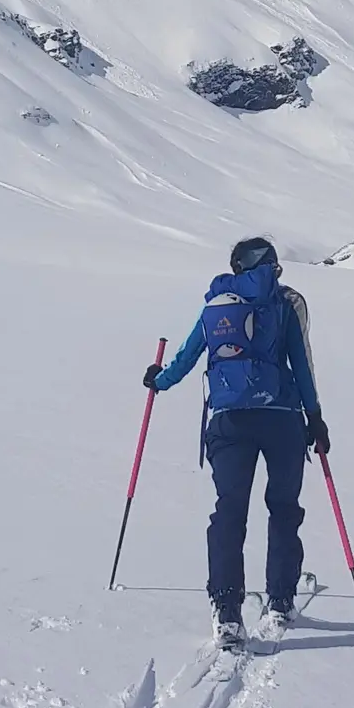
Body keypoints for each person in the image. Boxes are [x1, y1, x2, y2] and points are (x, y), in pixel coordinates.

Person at [144, 236, 328, 652]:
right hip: (281, 420)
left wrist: (159, 380)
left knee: (230, 511)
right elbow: (300, 365)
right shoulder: (283, 304)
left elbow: (190, 354)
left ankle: (227, 610)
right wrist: (314, 417)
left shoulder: (219, 304)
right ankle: (280, 601)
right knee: (283, 508)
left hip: (228, 421)